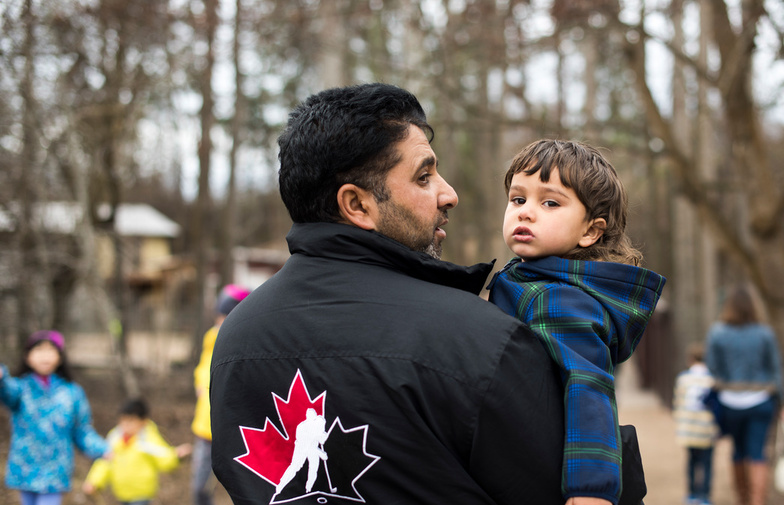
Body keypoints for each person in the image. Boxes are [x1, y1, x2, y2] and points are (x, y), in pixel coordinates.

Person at [209, 83, 566, 505]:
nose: (449, 194)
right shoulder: (481, 341)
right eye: (424, 176)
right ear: (357, 205)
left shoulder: (235, 339)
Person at [487, 139, 665, 505]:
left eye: (550, 202)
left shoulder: (558, 298)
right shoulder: (532, 280)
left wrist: (591, 492)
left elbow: (588, 388)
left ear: (590, 231)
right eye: (518, 199)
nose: (525, 212)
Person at [0, 330, 108, 505]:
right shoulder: (21, 389)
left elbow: (82, 430)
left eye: (51, 350)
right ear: (28, 356)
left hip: (56, 471)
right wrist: (2, 378)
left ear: (60, 357)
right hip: (25, 468)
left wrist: (103, 449)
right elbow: (7, 393)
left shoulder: (72, 392)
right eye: (39, 350)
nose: (45, 356)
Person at [705, 286, 784, 505]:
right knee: (757, 452)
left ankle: (742, 499)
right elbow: (776, 370)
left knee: (738, 452)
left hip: (730, 403)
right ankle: (757, 501)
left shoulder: (718, 332)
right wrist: (783, 402)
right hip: (761, 402)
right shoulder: (765, 333)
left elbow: (712, 368)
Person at [190, 283, 250, 505]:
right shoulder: (211, 337)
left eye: (225, 316)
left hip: (235, 428)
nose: (219, 323)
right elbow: (203, 368)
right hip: (205, 427)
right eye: (219, 316)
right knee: (200, 488)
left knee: (242, 485)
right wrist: (199, 384)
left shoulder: (246, 341)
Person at [83, 398, 192, 505]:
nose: (126, 425)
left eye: (131, 421)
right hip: (121, 493)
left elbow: (162, 455)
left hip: (142, 493)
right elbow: (105, 462)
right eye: (123, 420)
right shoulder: (115, 438)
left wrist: (176, 455)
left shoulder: (148, 439)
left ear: (143, 421)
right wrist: (94, 482)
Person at [673, 344, 718, 505]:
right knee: (707, 463)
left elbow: (678, 402)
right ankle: (705, 495)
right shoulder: (712, 378)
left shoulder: (683, 379)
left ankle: (691, 494)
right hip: (707, 428)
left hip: (689, 428)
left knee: (692, 461)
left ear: (690, 359)